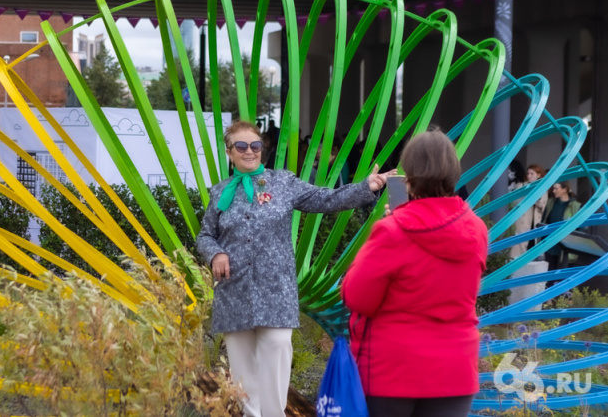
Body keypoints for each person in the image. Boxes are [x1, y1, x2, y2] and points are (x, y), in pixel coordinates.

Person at [196, 120, 394, 417]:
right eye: (241, 146)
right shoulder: (219, 193)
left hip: (276, 291)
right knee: (243, 373)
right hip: (234, 292)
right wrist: (215, 254)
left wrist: (367, 186)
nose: (249, 151)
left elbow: (326, 198)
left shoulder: (283, 182)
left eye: (255, 145)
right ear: (229, 152)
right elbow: (205, 235)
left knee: (277, 349)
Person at [341, 131, 487, 417]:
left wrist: (382, 235)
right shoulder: (476, 228)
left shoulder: (392, 230)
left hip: (392, 371)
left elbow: (358, 297)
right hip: (455, 372)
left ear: (409, 175)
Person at [542, 181, 582, 273]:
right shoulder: (551, 203)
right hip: (551, 242)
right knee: (550, 271)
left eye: (556, 189)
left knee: (565, 272)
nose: (554, 191)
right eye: (553, 188)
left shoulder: (575, 206)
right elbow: (545, 220)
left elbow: (579, 226)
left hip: (567, 244)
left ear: (564, 190)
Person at [509, 164, 548, 258]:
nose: (529, 175)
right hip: (522, 221)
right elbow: (515, 202)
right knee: (519, 245)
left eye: (532, 173)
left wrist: (533, 199)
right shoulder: (521, 186)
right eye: (528, 173)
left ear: (538, 175)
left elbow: (542, 204)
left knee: (532, 245)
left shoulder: (542, 188)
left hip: (535, 222)